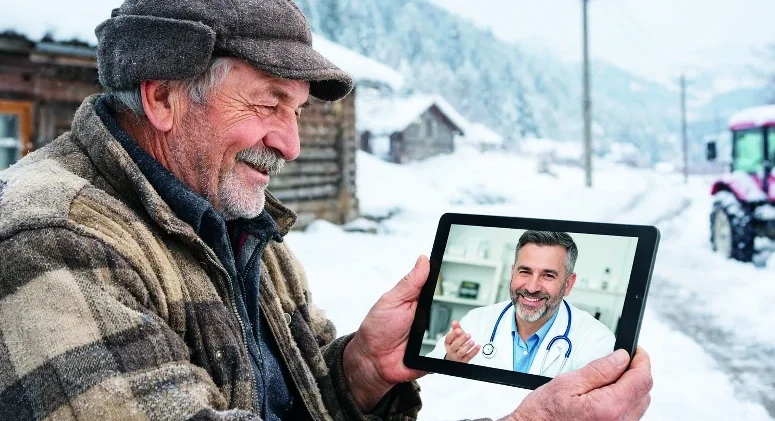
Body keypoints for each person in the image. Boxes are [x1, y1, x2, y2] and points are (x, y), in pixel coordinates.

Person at [0, 1, 652, 420]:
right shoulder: (53, 236)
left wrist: (358, 372)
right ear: (164, 96)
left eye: (297, 111)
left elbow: (292, 404)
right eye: (267, 104)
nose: (291, 141)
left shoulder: (243, 228)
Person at [427, 231, 615, 377]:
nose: (532, 287)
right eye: (524, 271)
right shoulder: (476, 321)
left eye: (548, 275)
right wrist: (448, 362)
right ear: (512, 273)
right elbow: (423, 380)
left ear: (568, 284)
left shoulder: (596, 340)